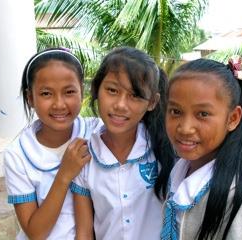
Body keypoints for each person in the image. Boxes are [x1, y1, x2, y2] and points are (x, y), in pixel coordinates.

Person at [161, 58, 242, 239]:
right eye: (176, 111)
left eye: (203, 114)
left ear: (232, 118)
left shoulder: (238, 198)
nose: (185, 128)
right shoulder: (182, 167)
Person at [71, 46, 175, 240]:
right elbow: (84, 233)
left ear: (152, 102)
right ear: (96, 89)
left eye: (135, 95)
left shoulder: (166, 150)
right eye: (112, 90)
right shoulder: (84, 156)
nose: (120, 104)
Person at [3, 48, 100, 239]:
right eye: (46, 94)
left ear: (82, 90)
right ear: (30, 97)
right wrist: (64, 175)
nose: (59, 104)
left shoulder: (97, 132)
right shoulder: (18, 155)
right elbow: (36, 233)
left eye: (69, 92)